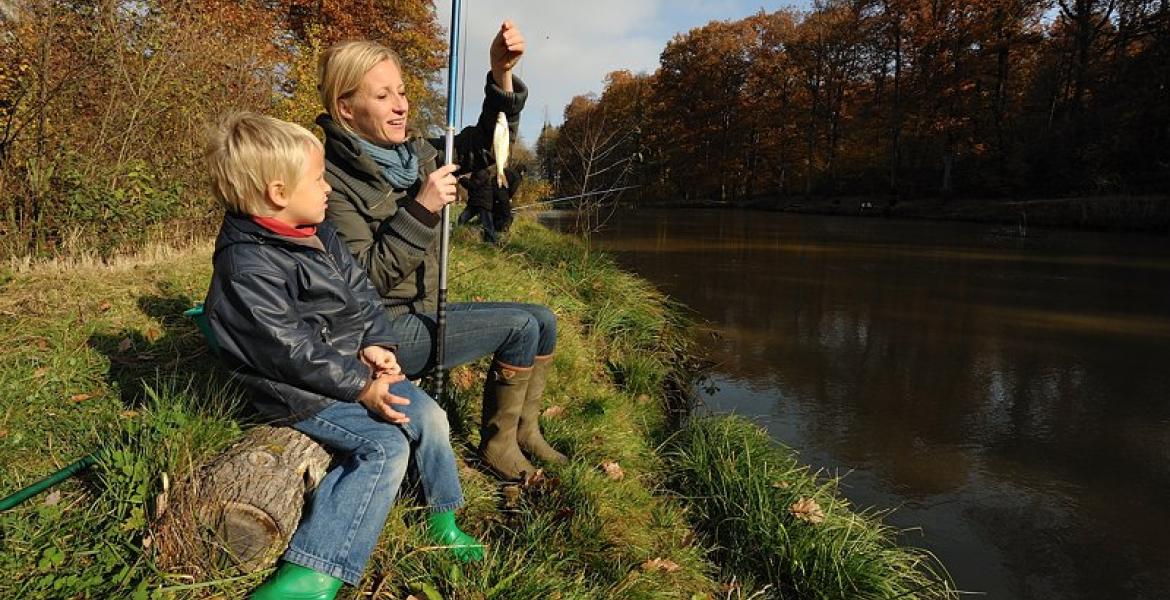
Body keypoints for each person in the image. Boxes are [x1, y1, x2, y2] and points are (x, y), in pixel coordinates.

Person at [200, 112, 482, 600]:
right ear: (277, 193)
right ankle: (316, 570)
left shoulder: (318, 231)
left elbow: (362, 294)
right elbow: (288, 351)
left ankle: (442, 516)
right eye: (317, 178)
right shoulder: (246, 264)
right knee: (384, 447)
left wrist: (379, 344)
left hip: (349, 367)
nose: (328, 186)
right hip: (294, 392)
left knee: (430, 414)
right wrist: (360, 385)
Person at [315, 22, 567, 482]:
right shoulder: (329, 181)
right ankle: (499, 447)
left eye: (403, 92)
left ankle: (526, 431)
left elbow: (491, 146)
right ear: (346, 108)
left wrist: (501, 74)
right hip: (376, 335)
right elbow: (363, 282)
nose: (401, 105)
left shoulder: (418, 154)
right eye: (383, 96)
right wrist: (422, 208)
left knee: (544, 319)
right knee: (520, 327)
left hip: (425, 310)